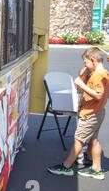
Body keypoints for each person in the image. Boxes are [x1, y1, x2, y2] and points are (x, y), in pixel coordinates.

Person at [47, 47, 109, 180]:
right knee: (94, 140)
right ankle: (96, 168)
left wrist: (81, 83)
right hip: (98, 112)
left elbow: (98, 95)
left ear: (93, 60)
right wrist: (85, 73)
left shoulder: (98, 75)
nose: (85, 65)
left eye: (86, 63)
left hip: (90, 114)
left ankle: (66, 166)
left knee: (78, 140)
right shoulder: (103, 73)